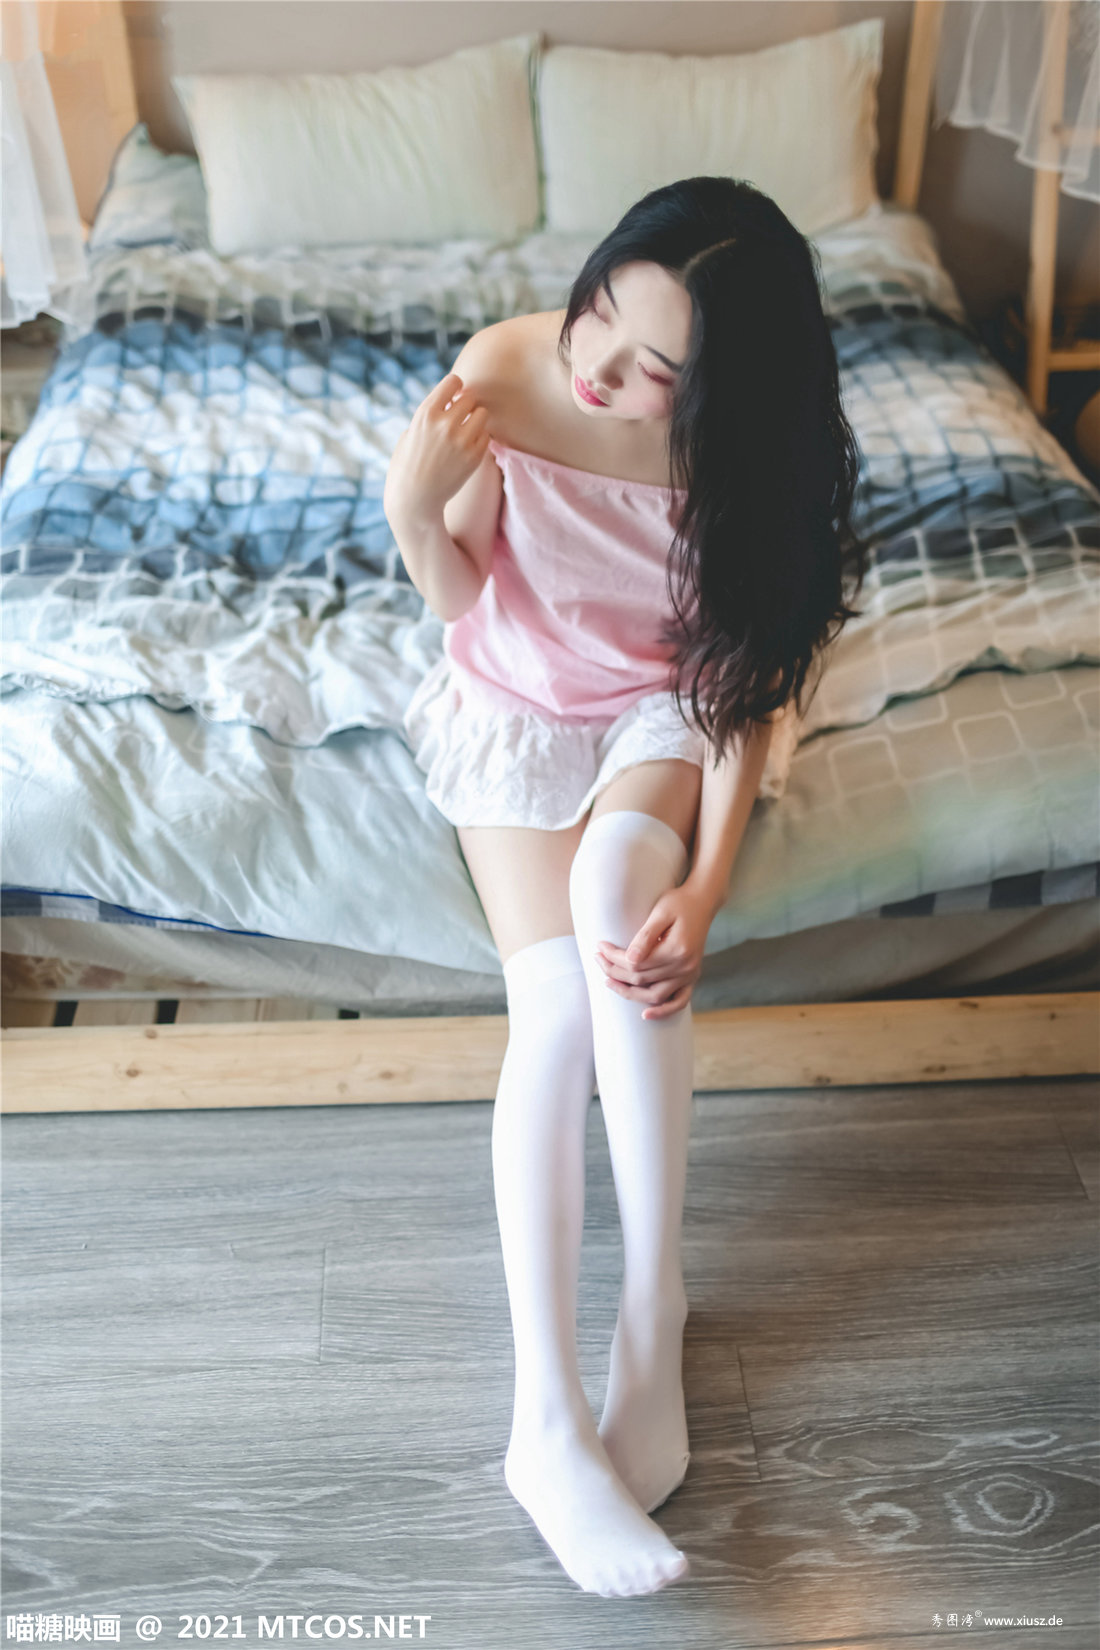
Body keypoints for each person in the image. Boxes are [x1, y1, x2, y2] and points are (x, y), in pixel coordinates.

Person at [383, 175, 866, 1598]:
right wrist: (414, 505)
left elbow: (745, 680)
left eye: (652, 369)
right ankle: (545, 1421)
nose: (598, 368)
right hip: (518, 701)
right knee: (554, 1007)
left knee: (623, 906)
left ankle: (652, 1325)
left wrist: (706, 886)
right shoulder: (504, 370)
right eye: (597, 314)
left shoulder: (751, 460)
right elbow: (463, 594)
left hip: (664, 707)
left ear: (720, 390)